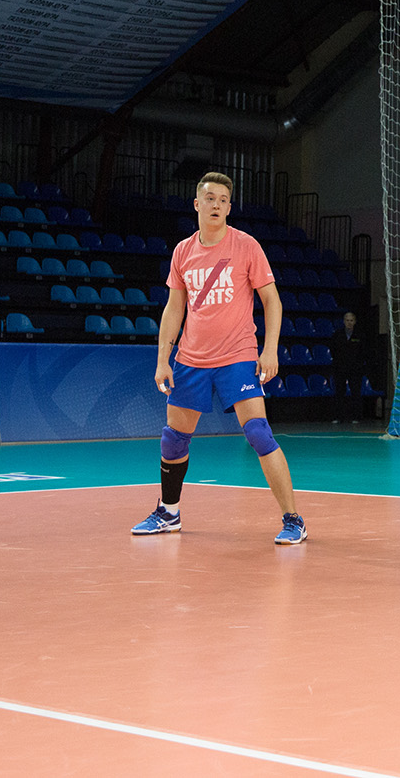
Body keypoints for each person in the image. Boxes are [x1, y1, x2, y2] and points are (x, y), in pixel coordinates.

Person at [130, 171, 308, 545]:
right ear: (197, 204)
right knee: (173, 440)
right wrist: (163, 359)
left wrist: (270, 349)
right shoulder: (183, 252)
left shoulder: (246, 246)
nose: (217, 205)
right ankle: (168, 513)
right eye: (210, 198)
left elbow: (272, 300)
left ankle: (293, 520)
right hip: (191, 359)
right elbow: (174, 308)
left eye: (224, 200)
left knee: (258, 432)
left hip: (237, 356)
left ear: (228, 208)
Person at [330, 310, 364, 424]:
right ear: (344, 321)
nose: (349, 322)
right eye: (347, 320)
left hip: (355, 368)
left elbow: (363, 351)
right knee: (339, 391)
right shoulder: (337, 334)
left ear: (355, 322)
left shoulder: (360, 335)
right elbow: (333, 350)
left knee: (355, 392)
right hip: (340, 368)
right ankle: (338, 417)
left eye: (351, 320)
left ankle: (356, 417)